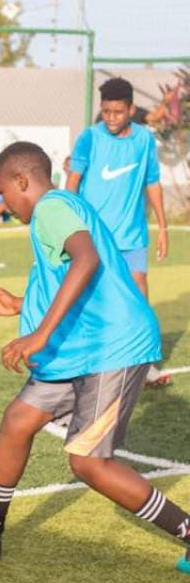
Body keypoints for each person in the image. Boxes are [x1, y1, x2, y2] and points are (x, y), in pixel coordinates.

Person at [0, 141, 190, 575]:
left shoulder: (51, 208)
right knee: (18, 420)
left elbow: (86, 260)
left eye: (1, 192)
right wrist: (20, 303)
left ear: (21, 181)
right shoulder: (60, 209)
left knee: (88, 463)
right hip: (77, 348)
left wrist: (39, 334)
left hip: (110, 348)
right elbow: (72, 276)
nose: (1, 202)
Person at [67, 77, 170, 386]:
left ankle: (143, 363)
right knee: (91, 297)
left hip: (132, 234)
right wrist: (67, 221)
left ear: (131, 109)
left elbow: (152, 182)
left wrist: (163, 227)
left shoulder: (144, 140)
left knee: (138, 295)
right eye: (106, 111)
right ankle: (85, 360)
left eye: (117, 112)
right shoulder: (89, 137)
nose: (110, 118)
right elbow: (73, 181)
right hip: (95, 236)